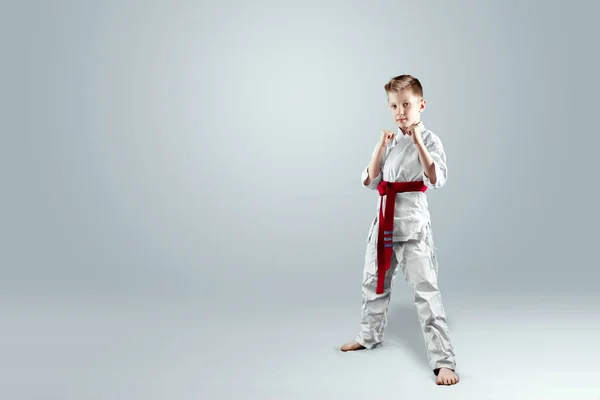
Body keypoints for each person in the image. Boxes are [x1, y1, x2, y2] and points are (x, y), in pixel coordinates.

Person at [340, 75, 459, 386]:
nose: (400, 111)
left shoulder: (431, 140)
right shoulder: (390, 141)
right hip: (383, 223)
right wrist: (381, 145)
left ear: (421, 105)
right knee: (373, 283)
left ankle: (443, 361)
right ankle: (368, 336)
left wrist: (418, 140)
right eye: (394, 105)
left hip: (413, 227)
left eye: (406, 104)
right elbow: (370, 180)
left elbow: (436, 178)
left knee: (426, 292)